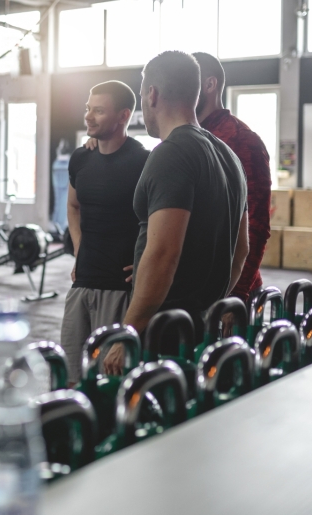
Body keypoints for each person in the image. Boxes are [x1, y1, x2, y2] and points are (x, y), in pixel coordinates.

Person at [103, 51, 249, 375]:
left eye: (142, 96)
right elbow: (240, 252)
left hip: (163, 333)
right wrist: (205, 302)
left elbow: (164, 255)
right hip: (199, 330)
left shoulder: (171, 154)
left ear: (151, 94)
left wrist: (126, 335)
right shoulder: (230, 157)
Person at [60, 81, 149, 383]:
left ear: (123, 116)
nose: (88, 116)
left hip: (120, 289)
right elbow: (73, 207)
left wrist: (146, 262)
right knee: (71, 377)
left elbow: (161, 222)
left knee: (111, 381)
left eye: (98, 111)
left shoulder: (144, 161)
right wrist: (79, 248)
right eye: (88, 109)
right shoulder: (80, 158)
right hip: (82, 283)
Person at [193, 51, 271, 303]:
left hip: (229, 289)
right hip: (187, 284)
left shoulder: (243, 141)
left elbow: (256, 225)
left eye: (188, 82)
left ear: (209, 84)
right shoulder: (179, 140)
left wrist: (238, 293)